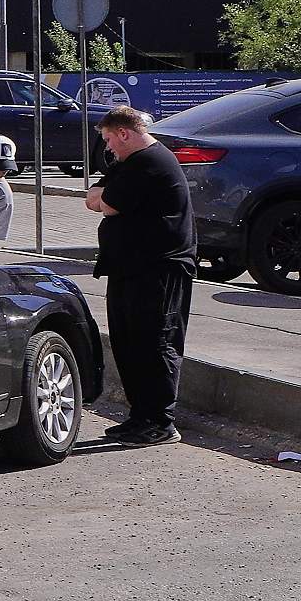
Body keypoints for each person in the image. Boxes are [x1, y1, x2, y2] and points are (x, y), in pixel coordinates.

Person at [86, 105, 195, 445]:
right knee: (127, 341)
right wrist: (104, 198)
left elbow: (109, 204)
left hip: (159, 269)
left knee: (156, 342)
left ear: (124, 134)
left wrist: (105, 200)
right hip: (128, 267)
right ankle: (140, 416)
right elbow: (92, 198)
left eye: (109, 140)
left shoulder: (151, 162)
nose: (107, 147)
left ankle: (161, 422)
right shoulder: (128, 163)